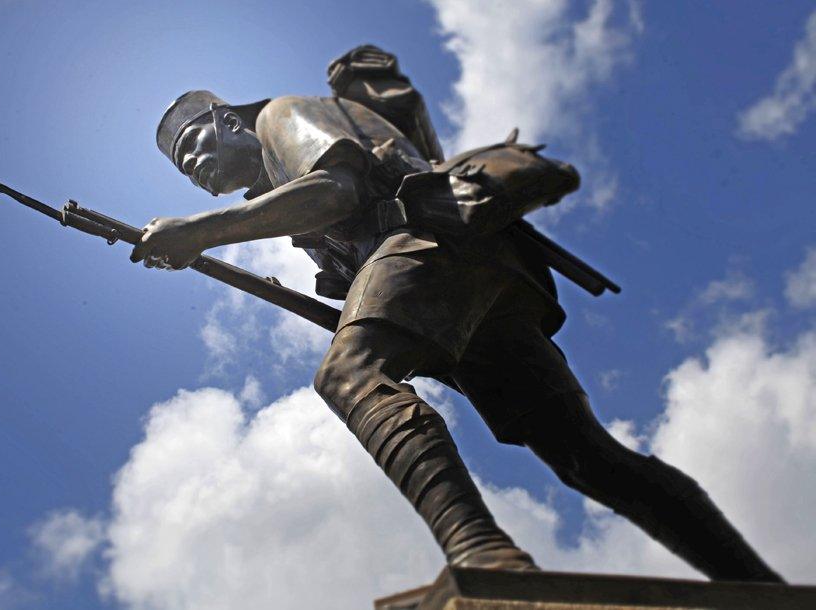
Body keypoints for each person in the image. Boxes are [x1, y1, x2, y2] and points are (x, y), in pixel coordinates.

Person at [130, 46, 784, 582]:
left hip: (433, 245)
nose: (194, 165)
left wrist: (200, 232)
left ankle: (482, 553)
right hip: (467, 276)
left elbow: (337, 189)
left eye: (195, 143)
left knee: (349, 376)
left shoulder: (282, 117)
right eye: (184, 167)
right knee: (585, 456)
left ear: (228, 121)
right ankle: (753, 584)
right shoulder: (278, 186)